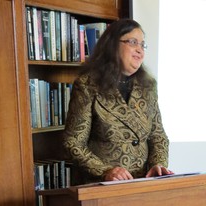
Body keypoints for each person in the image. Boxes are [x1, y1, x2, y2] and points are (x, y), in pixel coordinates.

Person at [63, 19, 173, 183]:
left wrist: (158, 164)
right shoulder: (87, 85)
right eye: (133, 42)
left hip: (143, 185)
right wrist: (105, 171)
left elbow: (158, 136)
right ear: (113, 44)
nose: (140, 50)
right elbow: (73, 143)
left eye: (143, 45)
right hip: (104, 186)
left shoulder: (148, 87)